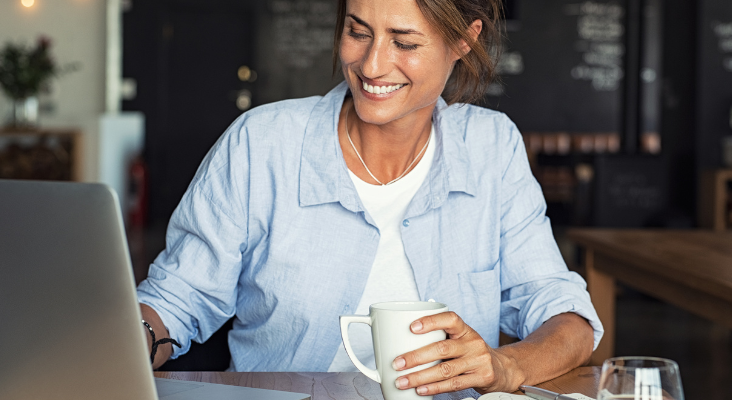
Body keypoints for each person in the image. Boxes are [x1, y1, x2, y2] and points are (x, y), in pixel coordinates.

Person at [136, 0, 603, 394]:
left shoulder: (491, 147)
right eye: (358, 32)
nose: (372, 65)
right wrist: (132, 338)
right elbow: (177, 298)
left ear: (464, 40)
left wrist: (507, 366)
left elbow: (567, 318)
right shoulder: (262, 143)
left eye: (405, 43)